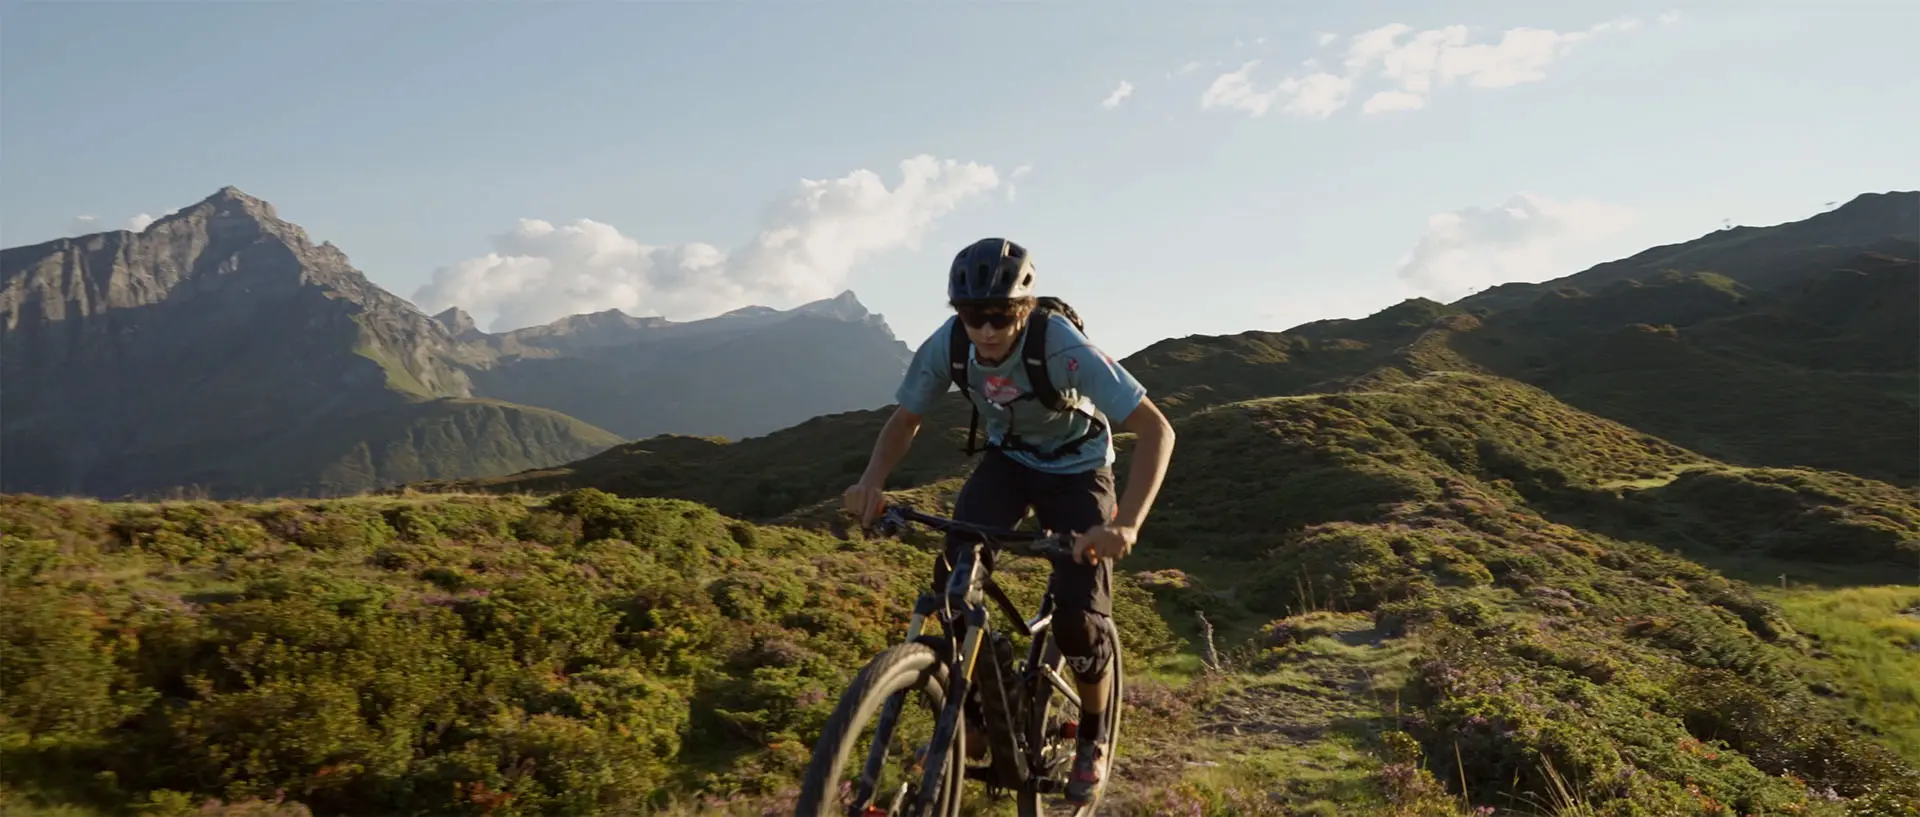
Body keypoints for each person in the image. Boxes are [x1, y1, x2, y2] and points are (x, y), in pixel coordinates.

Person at [842, 237, 1176, 805]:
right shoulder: (949, 345)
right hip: (1009, 463)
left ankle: (1093, 736)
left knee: (1076, 621)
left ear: (1024, 309)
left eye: (1001, 316)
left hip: (1080, 472)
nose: (988, 330)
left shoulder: (1063, 348)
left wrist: (1127, 523)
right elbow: (906, 420)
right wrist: (872, 480)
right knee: (952, 582)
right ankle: (971, 721)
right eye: (974, 316)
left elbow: (1156, 430)